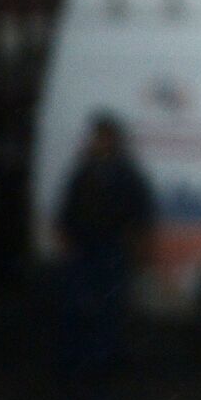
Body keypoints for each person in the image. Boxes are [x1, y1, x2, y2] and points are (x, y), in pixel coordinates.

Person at [54, 113, 156, 381]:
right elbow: (69, 207)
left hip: (111, 246)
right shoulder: (86, 168)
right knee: (78, 304)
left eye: (102, 136)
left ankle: (102, 359)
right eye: (97, 136)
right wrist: (67, 235)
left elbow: (141, 211)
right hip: (86, 246)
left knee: (109, 306)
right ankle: (79, 358)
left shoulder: (123, 171)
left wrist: (135, 242)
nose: (97, 141)